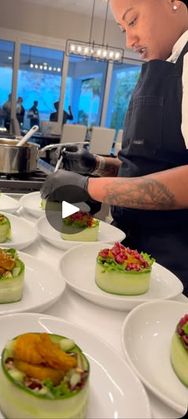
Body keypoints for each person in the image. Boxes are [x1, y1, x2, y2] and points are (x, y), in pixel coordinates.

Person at [41, 0, 188, 295]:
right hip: (136, 252)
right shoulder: (167, 64)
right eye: (123, 28)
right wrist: (97, 165)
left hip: (174, 269)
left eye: (132, 21)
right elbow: (155, 164)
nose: (128, 40)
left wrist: (90, 188)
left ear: (174, 3)